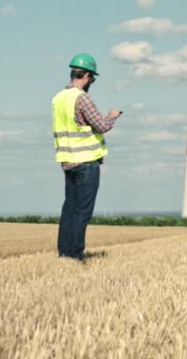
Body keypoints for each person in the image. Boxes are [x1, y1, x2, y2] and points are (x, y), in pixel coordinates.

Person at [52, 53, 121, 261]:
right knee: (83, 211)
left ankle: (64, 252)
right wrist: (112, 116)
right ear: (87, 76)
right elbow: (100, 125)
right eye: (93, 79)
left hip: (67, 161)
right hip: (86, 162)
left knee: (69, 208)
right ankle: (75, 254)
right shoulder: (81, 98)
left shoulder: (58, 98)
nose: (92, 82)